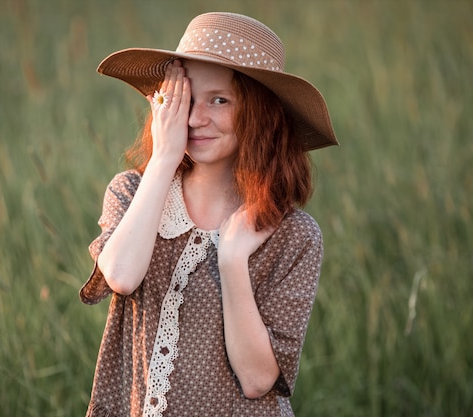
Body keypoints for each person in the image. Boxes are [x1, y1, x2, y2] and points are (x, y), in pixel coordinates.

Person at [79, 11, 338, 417]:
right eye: (187, 98)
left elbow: (257, 382)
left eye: (219, 100)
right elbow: (122, 276)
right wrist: (164, 158)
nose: (196, 118)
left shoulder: (294, 235)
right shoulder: (132, 192)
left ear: (260, 114)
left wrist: (233, 260)